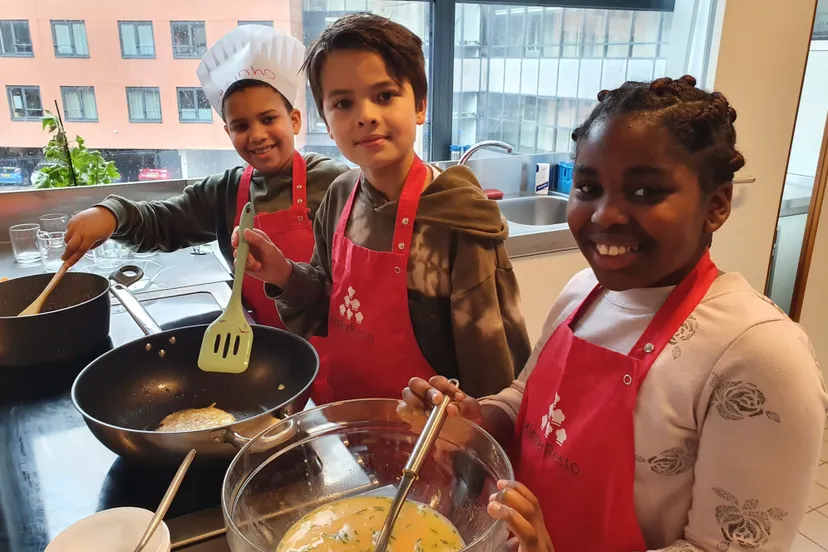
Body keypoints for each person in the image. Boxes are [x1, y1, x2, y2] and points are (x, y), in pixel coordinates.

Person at [402, 76, 828, 552]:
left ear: (716, 206)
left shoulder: (758, 355)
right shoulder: (585, 291)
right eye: (588, 187)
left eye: (645, 191)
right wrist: (473, 417)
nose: (605, 214)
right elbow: (527, 402)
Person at [233, 13, 531, 403]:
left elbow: (489, 359)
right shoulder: (340, 197)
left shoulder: (460, 222)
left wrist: (475, 433)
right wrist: (283, 273)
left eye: (385, 95)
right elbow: (327, 301)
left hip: (429, 439)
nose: (366, 115)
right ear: (325, 119)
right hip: (349, 417)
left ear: (420, 105)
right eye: (343, 102)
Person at [62, 25, 348, 334]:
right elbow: (163, 222)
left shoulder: (333, 182)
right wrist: (112, 214)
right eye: (240, 125)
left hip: (327, 339)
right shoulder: (225, 191)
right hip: (257, 339)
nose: (256, 135)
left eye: (268, 119)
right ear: (228, 133)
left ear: (294, 120)